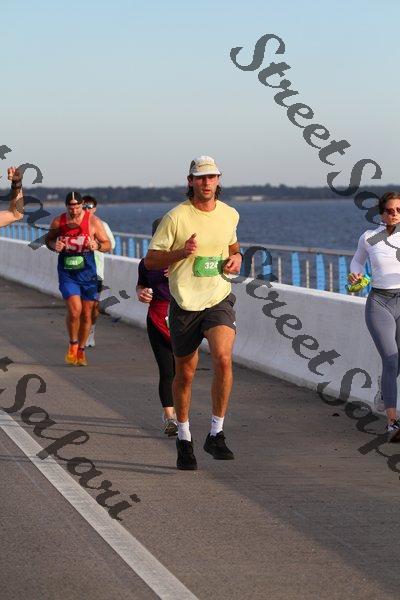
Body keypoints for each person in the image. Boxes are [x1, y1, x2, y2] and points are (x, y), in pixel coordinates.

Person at [145, 155, 242, 470]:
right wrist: (181, 253)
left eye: (211, 177)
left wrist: (237, 259)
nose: (206, 182)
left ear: (218, 180)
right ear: (190, 181)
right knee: (184, 374)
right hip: (185, 304)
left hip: (218, 298)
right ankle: (184, 437)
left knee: (223, 358)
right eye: (200, 177)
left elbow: (233, 247)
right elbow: (151, 260)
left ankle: (216, 432)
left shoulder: (229, 214)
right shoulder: (175, 218)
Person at [349, 191, 400, 441]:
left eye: (399, 210)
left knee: (397, 361)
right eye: (390, 210)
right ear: (381, 213)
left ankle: (383, 390)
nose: (395, 215)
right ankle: (392, 423)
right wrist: (356, 274)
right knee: (390, 359)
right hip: (379, 303)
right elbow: (357, 262)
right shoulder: (370, 237)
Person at [45, 191, 111, 366]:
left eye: (77, 207)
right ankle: (73, 344)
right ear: (66, 206)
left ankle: (81, 350)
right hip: (67, 273)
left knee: (87, 314)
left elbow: (108, 245)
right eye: (70, 207)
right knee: (75, 311)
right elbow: (48, 240)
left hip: (88, 274)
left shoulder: (93, 222)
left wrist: (97, 245)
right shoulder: (59, 221)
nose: (74, 211)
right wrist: (54, 245)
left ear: (82, 205)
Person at [136, 218, 177, 436]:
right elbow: (141, 283)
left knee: (183, 372)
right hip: (158, 316)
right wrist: (141, 292)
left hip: (185, 316)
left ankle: (182, 415)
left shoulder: (186, 259)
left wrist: (182, 271)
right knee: (167, 370)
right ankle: (170, 418)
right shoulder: (147, 263)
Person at [81, 195, 116, 347]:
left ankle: (91, 331)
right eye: (83, 206)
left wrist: (97, 244)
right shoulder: (73, 224)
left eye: (89, 206)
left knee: (93, 306)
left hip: (95, 273)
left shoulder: (102, 225)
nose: (86, 209)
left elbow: (111, 245)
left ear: (94, 209)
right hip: (76, 271)